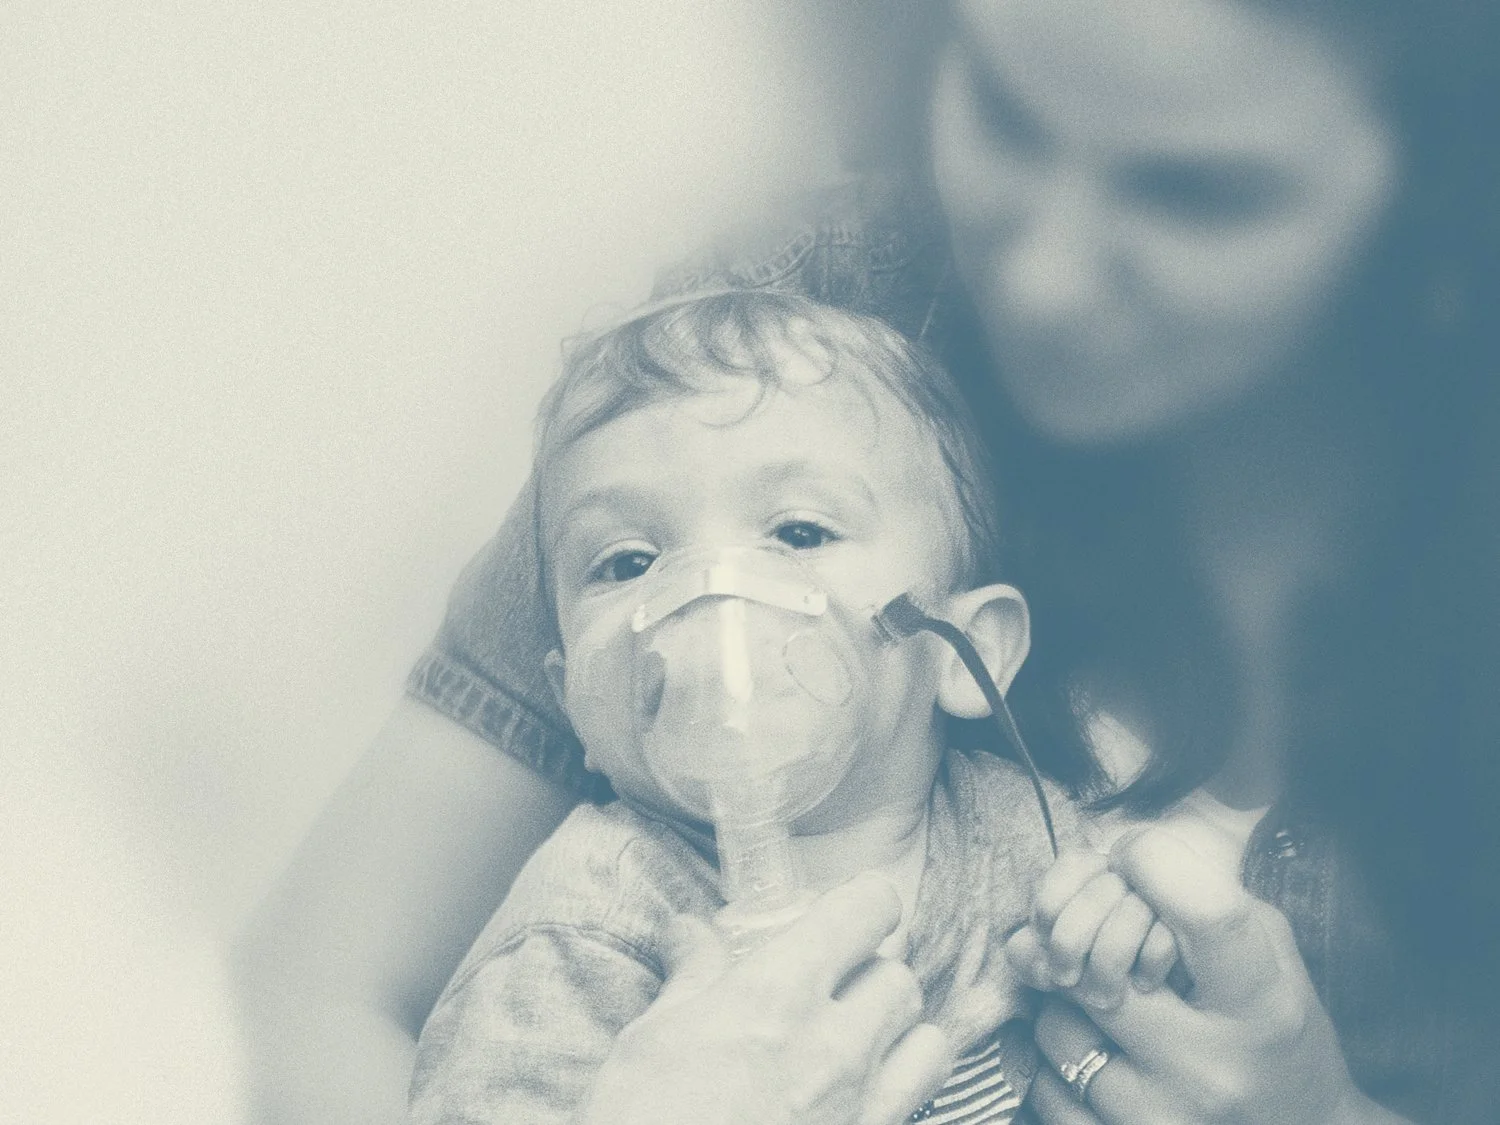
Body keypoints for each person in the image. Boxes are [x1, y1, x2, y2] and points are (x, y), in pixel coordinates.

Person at [232, 1, 1500, 1123]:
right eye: (1006, 112)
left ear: (1444, 185)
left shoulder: (1011, 841)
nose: (1045, 280)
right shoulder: (764, 353)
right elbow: (322, 992)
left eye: (1197, 193)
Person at [406, 288, 1092, 1123]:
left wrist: (1135, 936)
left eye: (798, 532)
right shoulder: (579, 935)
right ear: (574, 699)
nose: (710, 591)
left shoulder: (1024, 837)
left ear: (967, 650)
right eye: (627, 561)